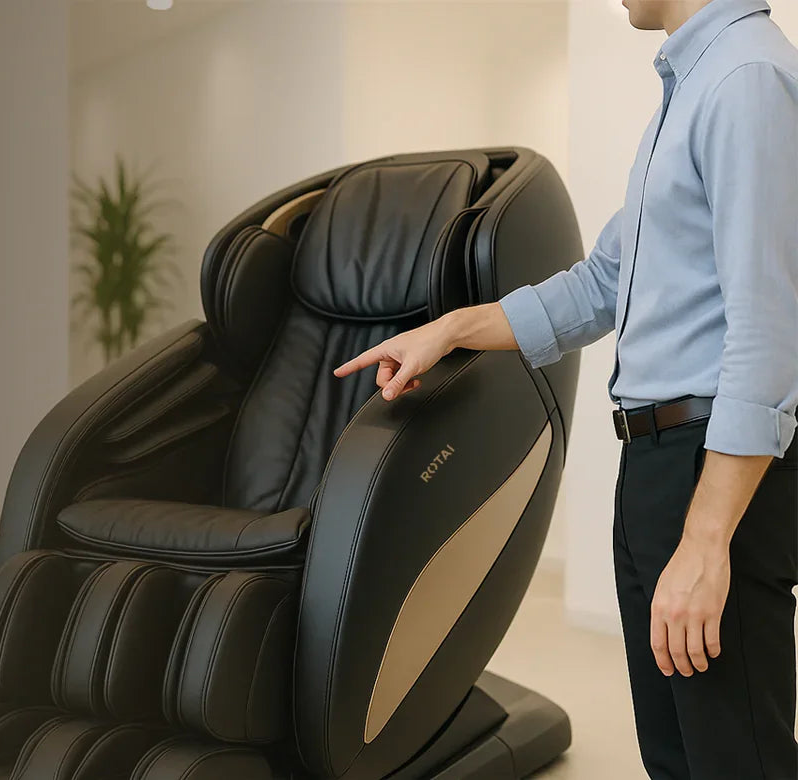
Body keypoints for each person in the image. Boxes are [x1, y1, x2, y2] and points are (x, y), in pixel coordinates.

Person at [336, 1, 798, 776]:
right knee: (678, 755)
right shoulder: (692, 87)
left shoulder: (747, 78)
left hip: (711, 470)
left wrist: (707, 537)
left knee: (735, 759)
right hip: (658, 464)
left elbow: (772, 327)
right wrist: (450, 329)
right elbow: (605, 280)